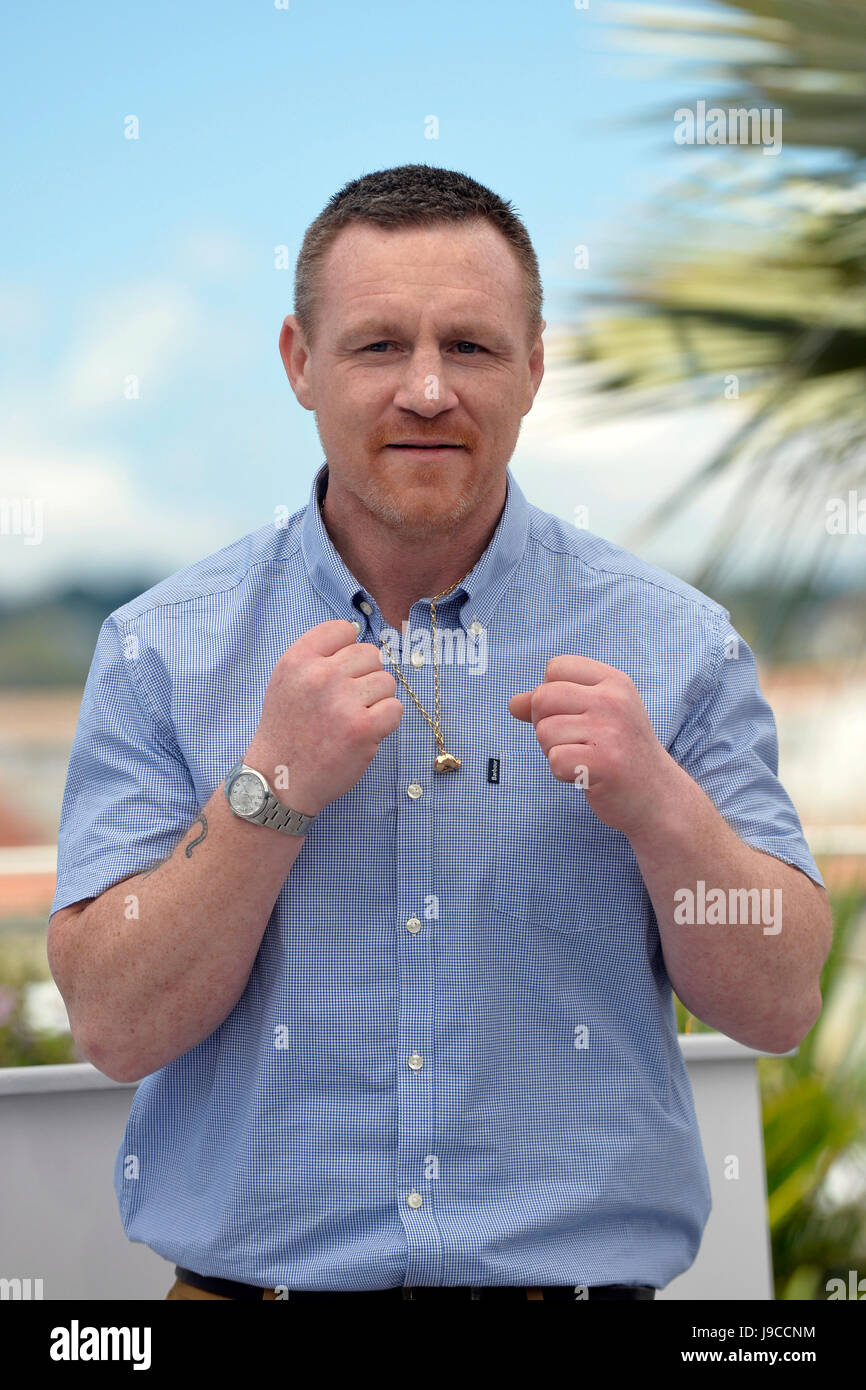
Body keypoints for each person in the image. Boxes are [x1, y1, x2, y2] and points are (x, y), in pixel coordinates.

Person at [47, 163, 831, 1303]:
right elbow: (114, 1025)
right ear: (298, 363)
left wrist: (659, 807)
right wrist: (269, 788)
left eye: (468, 345)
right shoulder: (157, 649)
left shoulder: (679, 646)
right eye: (376, 346)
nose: (425, 390)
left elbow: (777, 1004)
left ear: (533, 366)